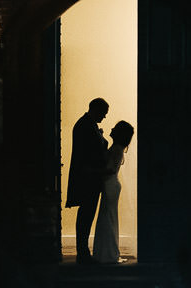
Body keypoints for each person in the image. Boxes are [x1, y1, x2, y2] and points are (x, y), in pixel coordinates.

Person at [66, 97, 109, 265]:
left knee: (86, 215)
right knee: (86, 216)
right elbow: (87, 154)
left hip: (89, 178)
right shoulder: (86, 126)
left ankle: (83, 251)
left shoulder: (85, 125)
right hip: (88, 179)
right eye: (103, 113)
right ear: (96, 110)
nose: (104, 116)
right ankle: (83, 252)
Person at [93, 120, 134, 265]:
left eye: (115, 128)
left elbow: (109, 169)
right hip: (112, 185)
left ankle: (106, 254)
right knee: (109, 218)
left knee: (107, 219)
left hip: (109, 184)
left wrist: (93, 172)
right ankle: (108, 253)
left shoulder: (116, 148)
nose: (112, 128)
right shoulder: (118, 148)